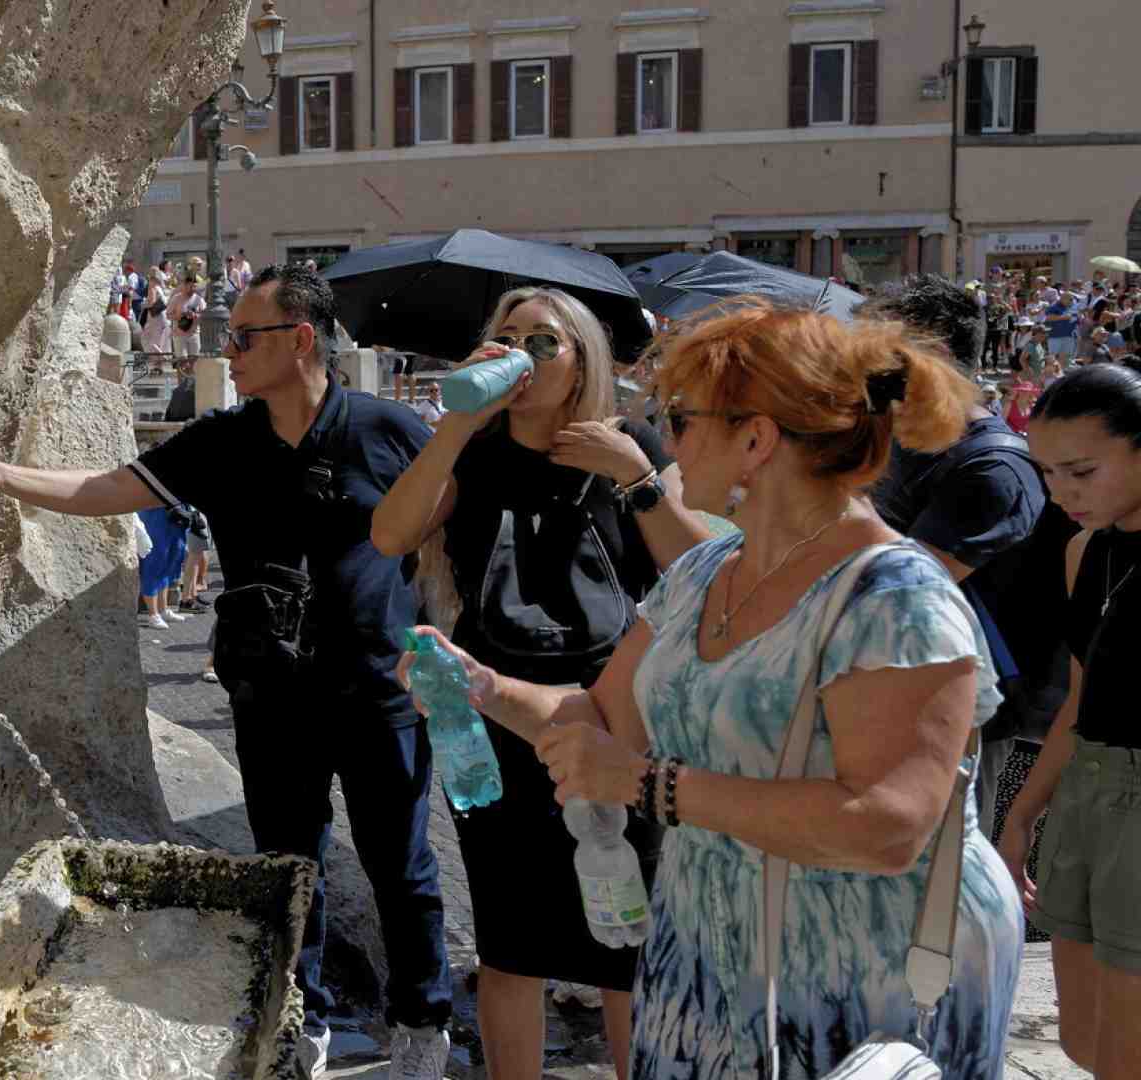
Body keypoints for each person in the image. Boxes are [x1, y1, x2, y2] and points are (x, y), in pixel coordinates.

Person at [402, 302, 1022, 1078]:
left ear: (756, 439)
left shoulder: (894, 597)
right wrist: (483, 685)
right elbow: (604, 715)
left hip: (861, 980)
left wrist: (650, 786)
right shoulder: (704, 572)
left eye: (683, 417)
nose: (665, 434)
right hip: (711, 958)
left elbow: (887, 826)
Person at [0, 264, 455, 1079]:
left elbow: (451, 519)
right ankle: (303, 1021)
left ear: (300, 340)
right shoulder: (224, 439)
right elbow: (109, 486)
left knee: (402, 866)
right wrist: (8, 478)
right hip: (271, 694)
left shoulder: (386, 429)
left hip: (378, 691)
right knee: (290, 872)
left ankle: (423, 1025)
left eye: (244, 337)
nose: (227, 351)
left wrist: (438, 637)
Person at [372, 287, 710, 1080]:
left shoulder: (629, 445)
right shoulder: (473, 454)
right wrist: (455, 422)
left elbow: (701, 570)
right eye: (508, 338)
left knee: (631, 936)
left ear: (584, 356)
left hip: (620, 711)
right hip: (489, 710)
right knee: (510, 938)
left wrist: (635, 476)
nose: (524, 355)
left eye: (545, 342)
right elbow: (389, 533)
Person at [866, 275, 1055, 831]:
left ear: (936, 356)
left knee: (961, 889)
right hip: (907, 701)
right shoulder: (909, 447)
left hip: (972, 724)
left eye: (881, 354)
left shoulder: (993, 468)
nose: (865, 371)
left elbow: (896, 588)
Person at [1000, 363, 1141, 1076]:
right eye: (1048, 472)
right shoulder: (1086, 549)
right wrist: (1023, 814)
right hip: (1086, 795)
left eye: (1081, 470)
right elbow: (1081, 702)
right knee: (1082, 1043)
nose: (1061, 492)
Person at [169, 276, 206, 360]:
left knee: (194, 361)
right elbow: (168, 315)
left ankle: (191, 373)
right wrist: (178, 316)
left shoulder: (198, 299)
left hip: (194, 334)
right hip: (179, 334)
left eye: (194, 286)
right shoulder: (176, 298)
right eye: (191, 286)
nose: (193, 289)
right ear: (184, 285)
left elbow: (204, 314)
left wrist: (196, 315)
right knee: (182, 362)